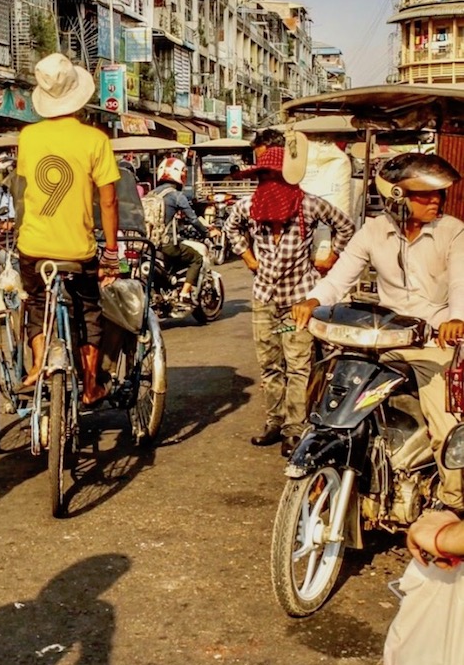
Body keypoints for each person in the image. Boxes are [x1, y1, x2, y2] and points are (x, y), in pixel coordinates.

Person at [292, 152, 464, 509]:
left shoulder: (454, 232)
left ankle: (453, 503)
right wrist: (313, 300)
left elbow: (462, 283)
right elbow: (340, 277)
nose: (436, 201)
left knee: (447, 425)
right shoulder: (372, 231)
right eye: (425, 194)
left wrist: (456, 319)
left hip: (432, 342)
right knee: (330, 393)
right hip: (383, 338)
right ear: (397, 196)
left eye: (439, 194)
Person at [225, 128, 355, 455]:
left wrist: (331, 257)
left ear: (286, 176)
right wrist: (249, 258)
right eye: (262, 175)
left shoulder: (309, 206)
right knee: (270, 364)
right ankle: (274, 421)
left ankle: (295, 430)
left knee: (298, 365)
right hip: (265, 301)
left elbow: (346, 226)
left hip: (298, 303)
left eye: (273, 174)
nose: (267, 181)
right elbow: (230, 228)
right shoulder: (249, 207)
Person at [14, 52, 120, 406]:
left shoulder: (28, 137)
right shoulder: (96, 140)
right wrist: (112, 252)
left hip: (33, 248)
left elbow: (25, 192)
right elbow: (108, 202)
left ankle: (37, 367)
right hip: (79, 251)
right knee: (89, 311)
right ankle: (91, 385)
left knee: (37, 305)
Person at [148, 155, 219, 306]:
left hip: (148, 246)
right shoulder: (176, 195)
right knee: (197, 258)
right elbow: (193, 219)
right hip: (167, 245)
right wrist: (207, 233)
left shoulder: (151, 194)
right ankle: (184, 293)